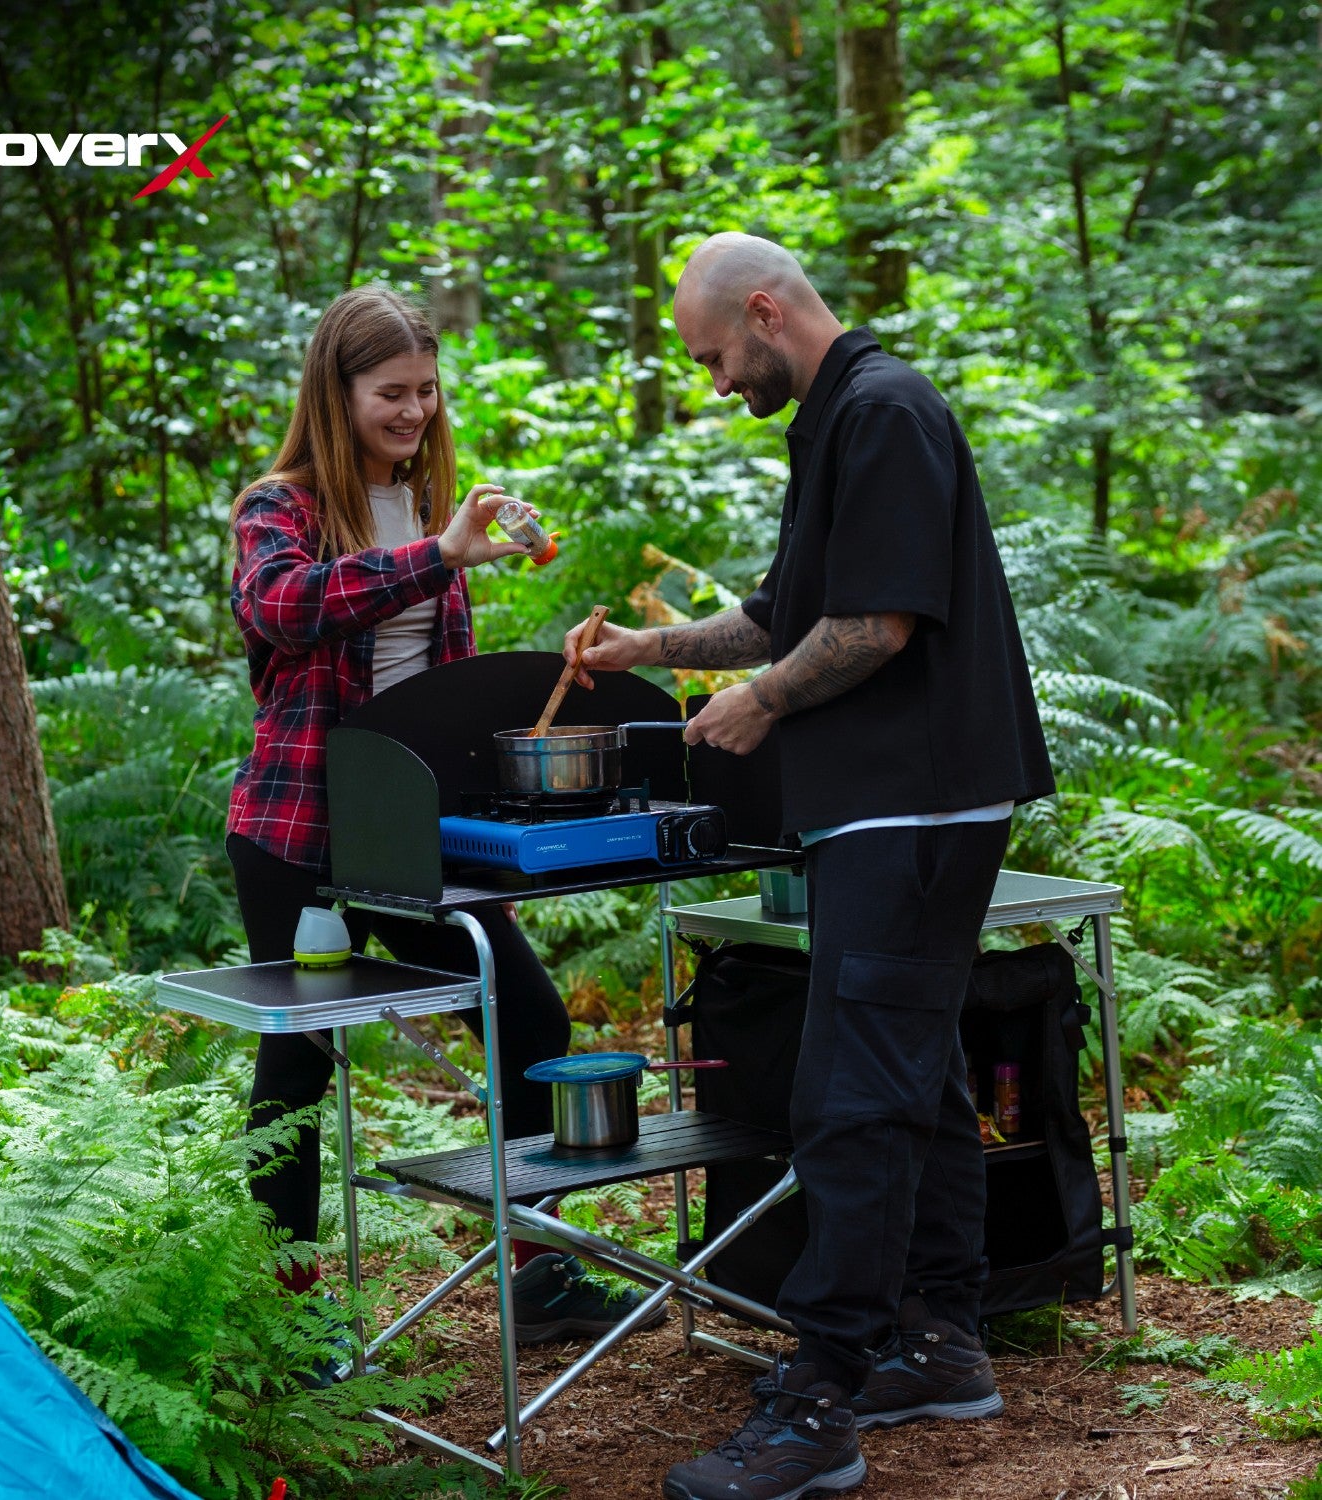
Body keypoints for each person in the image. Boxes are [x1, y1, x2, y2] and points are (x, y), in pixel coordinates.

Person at [563, 234, 1055, 1497]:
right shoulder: (839, 417)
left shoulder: (886, 410)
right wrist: (647, 649)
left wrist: (761, 708)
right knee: (919, 1070)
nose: (717, 380)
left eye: (715, 355)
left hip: (919, 804)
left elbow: (875, 629)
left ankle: (822, 1398)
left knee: (850, 1094)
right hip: (887, 810)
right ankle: (941, 1342)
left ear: (767, 314)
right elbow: (788, 612)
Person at [226, 283, 660, 1353]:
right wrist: (439, 557)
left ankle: (538, 1268)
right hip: (298, 838)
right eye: (390, 392)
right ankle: (287, 1317)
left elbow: (441, 687)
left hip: (408, 838)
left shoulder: (433, 512)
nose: (413, 411)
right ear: (337, 392)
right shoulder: (275, 505)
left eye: (425, 391)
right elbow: (281, 606)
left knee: (532, 1021)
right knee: (297, 1067)